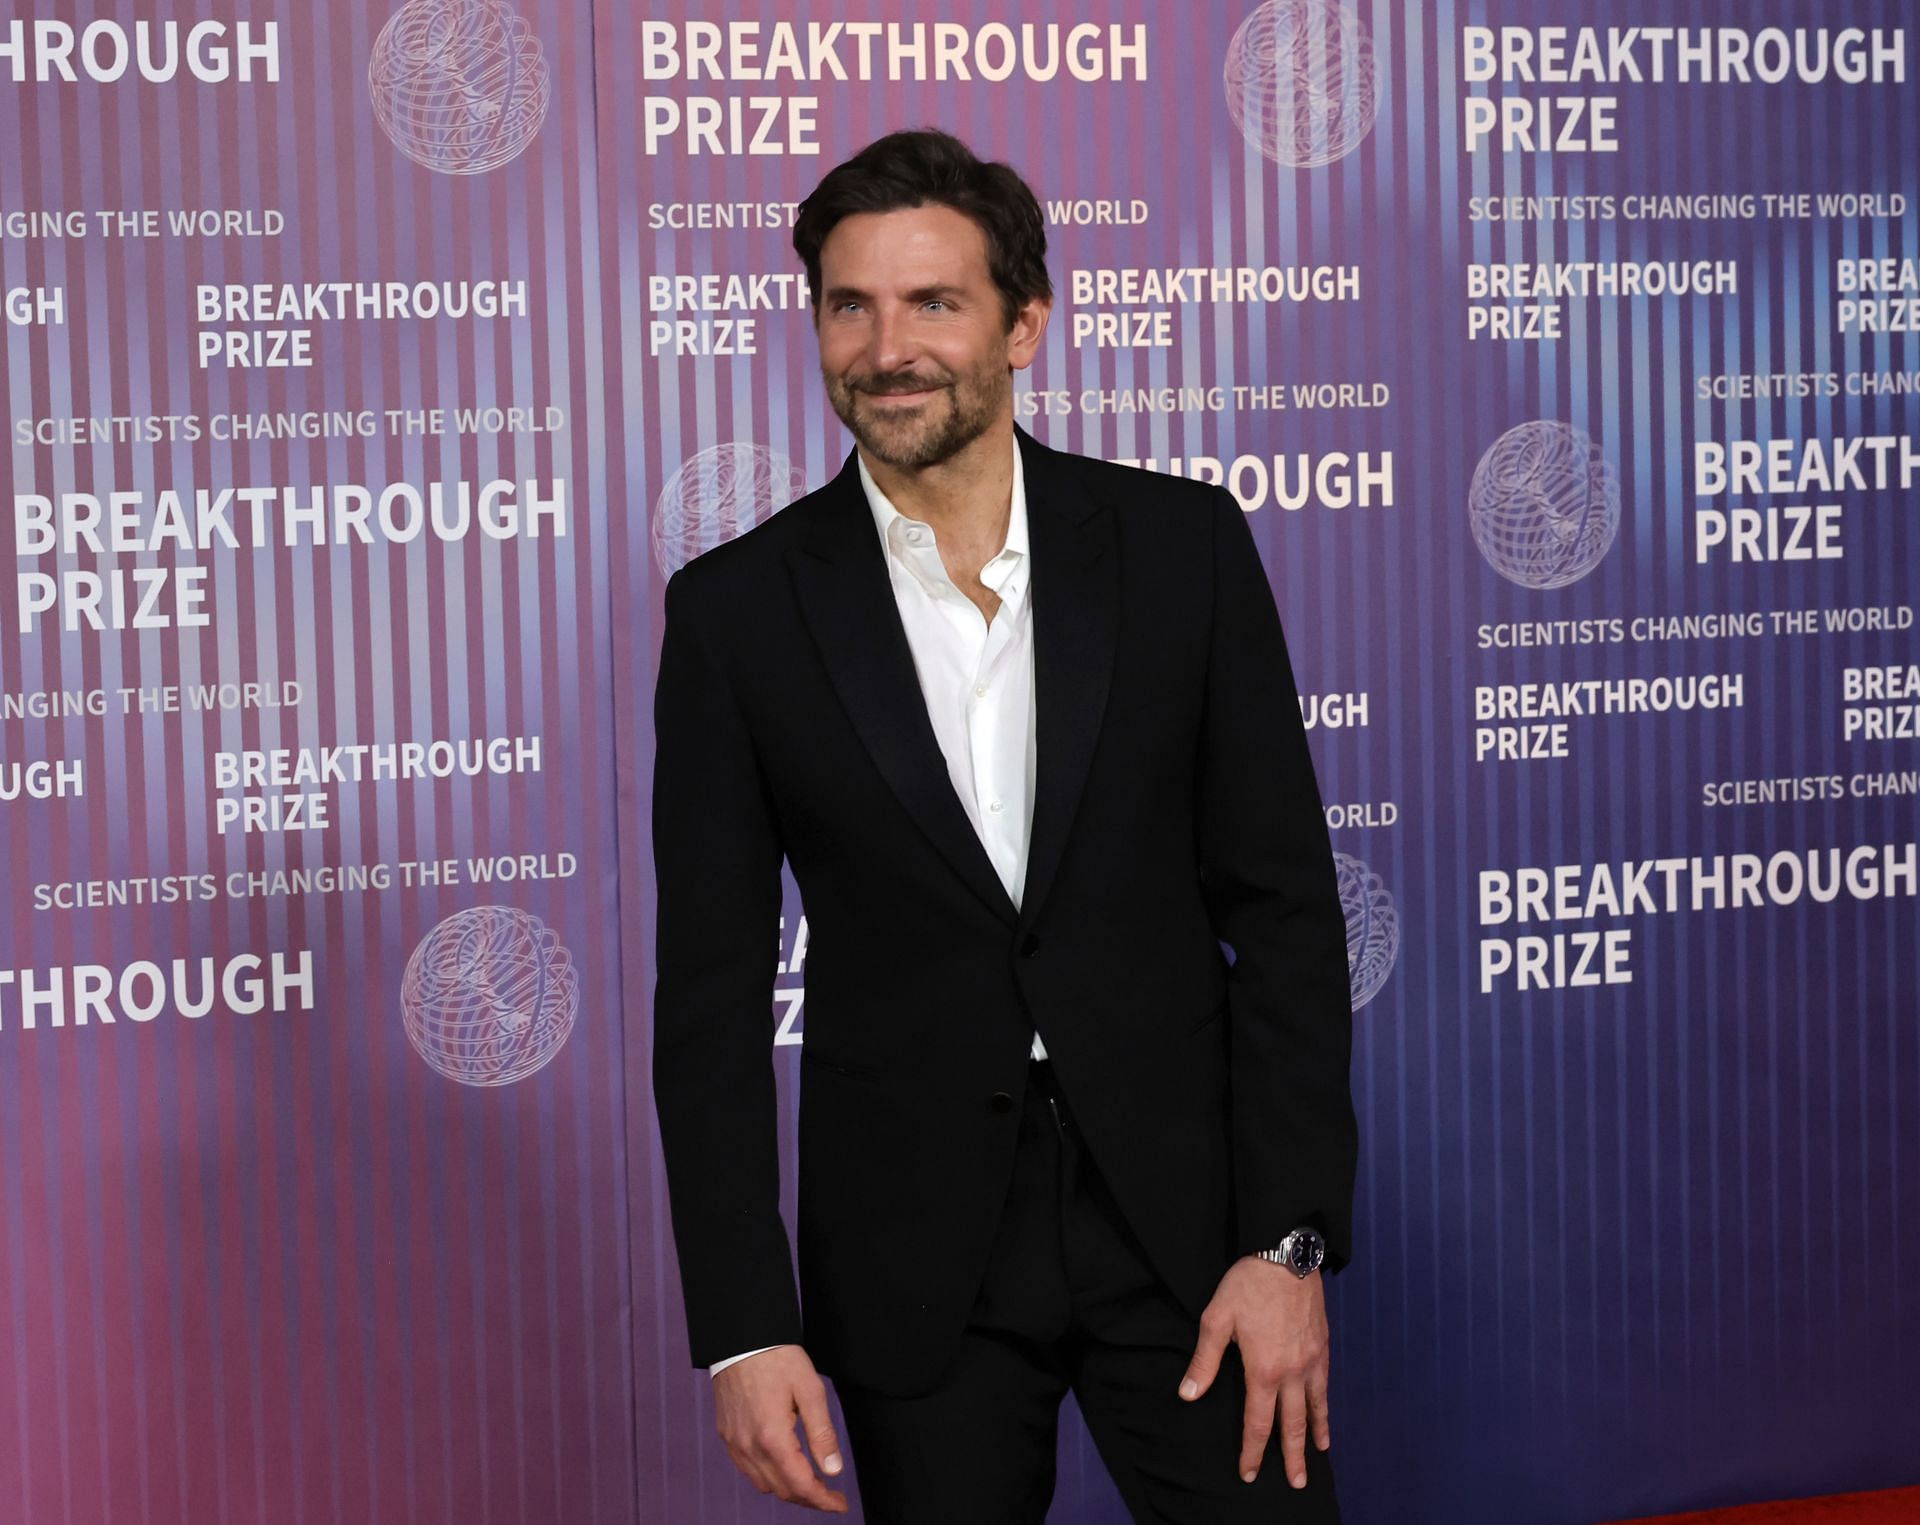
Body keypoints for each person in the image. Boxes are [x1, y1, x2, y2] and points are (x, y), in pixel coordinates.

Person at [652, 127, 1357, 1523]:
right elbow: (711, 1000)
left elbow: (1282, 911)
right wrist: (745, 1320)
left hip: (1187, 1228)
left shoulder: (1181, 549)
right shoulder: (738, 614)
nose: (885, 345)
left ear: (1026, 322)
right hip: (918, 1253)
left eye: (933, 302)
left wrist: (1287, 1240)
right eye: (848, 304)